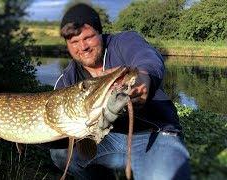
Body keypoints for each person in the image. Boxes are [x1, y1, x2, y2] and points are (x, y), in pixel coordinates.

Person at [48, 3, 190, 180]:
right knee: (61, 154)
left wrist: (143, 77)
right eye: (74, 42)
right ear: (67, 45)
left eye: (88, 37)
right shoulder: (67, 80)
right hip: (110, 140)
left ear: (100, 33)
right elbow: (52, 130)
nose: (82, 46)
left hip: (155, 134)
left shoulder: (124, 42)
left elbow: (147, 57)